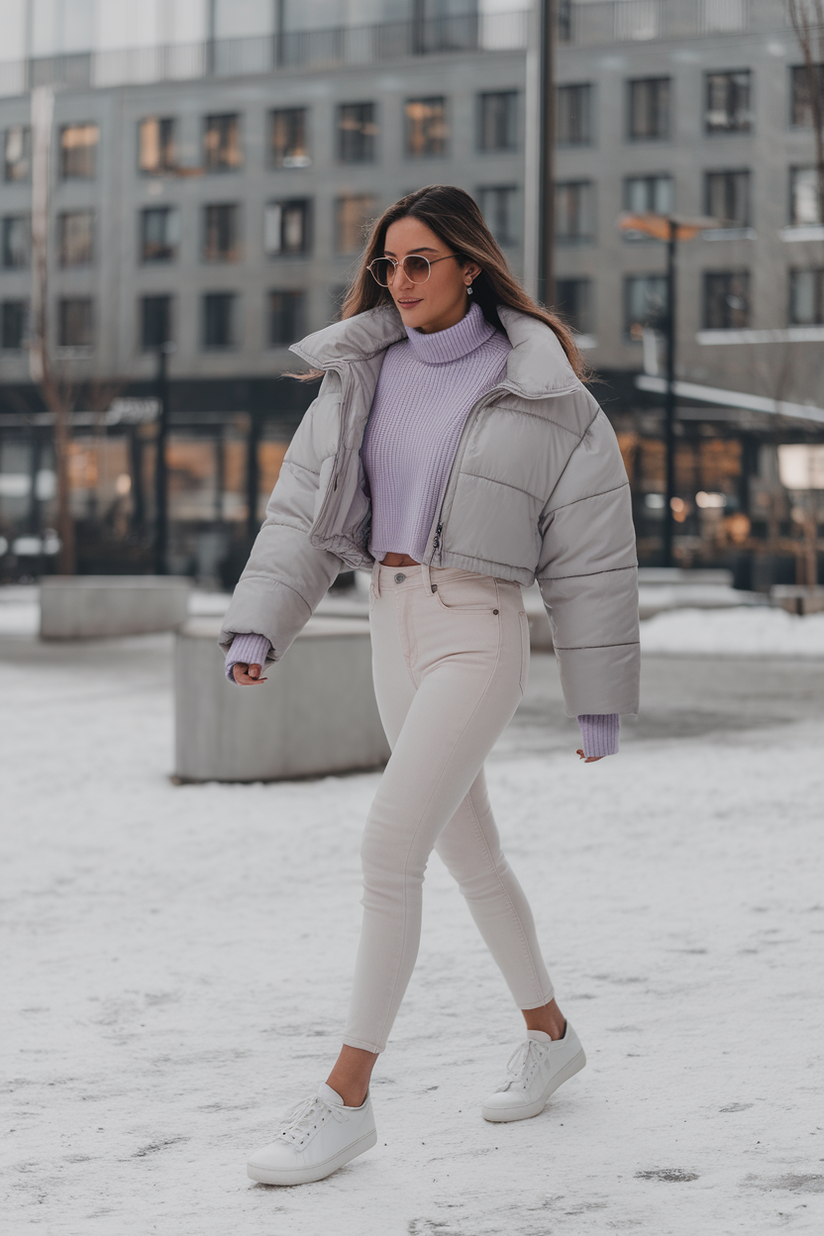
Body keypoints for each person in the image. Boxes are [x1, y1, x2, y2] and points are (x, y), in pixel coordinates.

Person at [219, 184, 639, 1187]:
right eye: (387, 265)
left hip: (475, 631)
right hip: (388, 622)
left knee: (387, 846)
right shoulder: (358, 376)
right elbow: (298, 511)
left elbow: (590, 552)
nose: (398, 282)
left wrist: (597, 693)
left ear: (467, 266)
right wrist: (258, 622)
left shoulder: (543, 391)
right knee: (469, 854)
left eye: (419, 262)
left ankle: (345, 1097)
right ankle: (549, 1034)